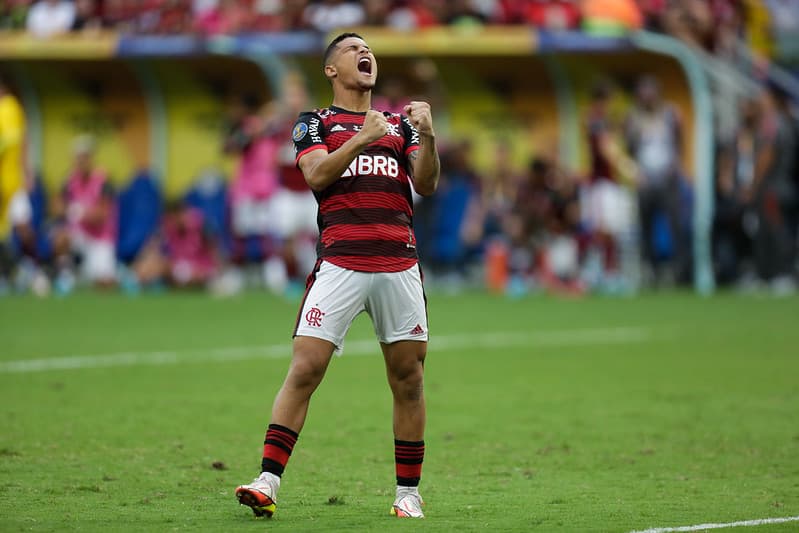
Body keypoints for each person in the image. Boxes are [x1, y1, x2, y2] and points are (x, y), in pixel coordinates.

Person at [235, 32, 440, 519]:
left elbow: (427, 183)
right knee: (306, 368)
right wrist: (363, 138)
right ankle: (267, 481)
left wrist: (428, 136)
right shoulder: (314, 123)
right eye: (352, 49)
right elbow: (316, 176)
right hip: (341, 262)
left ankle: (407, 495)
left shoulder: (400, 125)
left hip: (398, 264)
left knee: (408, 379)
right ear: (331, 69)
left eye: (369, 49)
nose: (365, 54)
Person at [0, 77, 33, 294]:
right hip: (3, 181)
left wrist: (27, 171)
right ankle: (10, 273)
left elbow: (22, 142)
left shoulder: (12, 107)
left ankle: (33, 266)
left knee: (24, 228)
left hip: (14, 181)